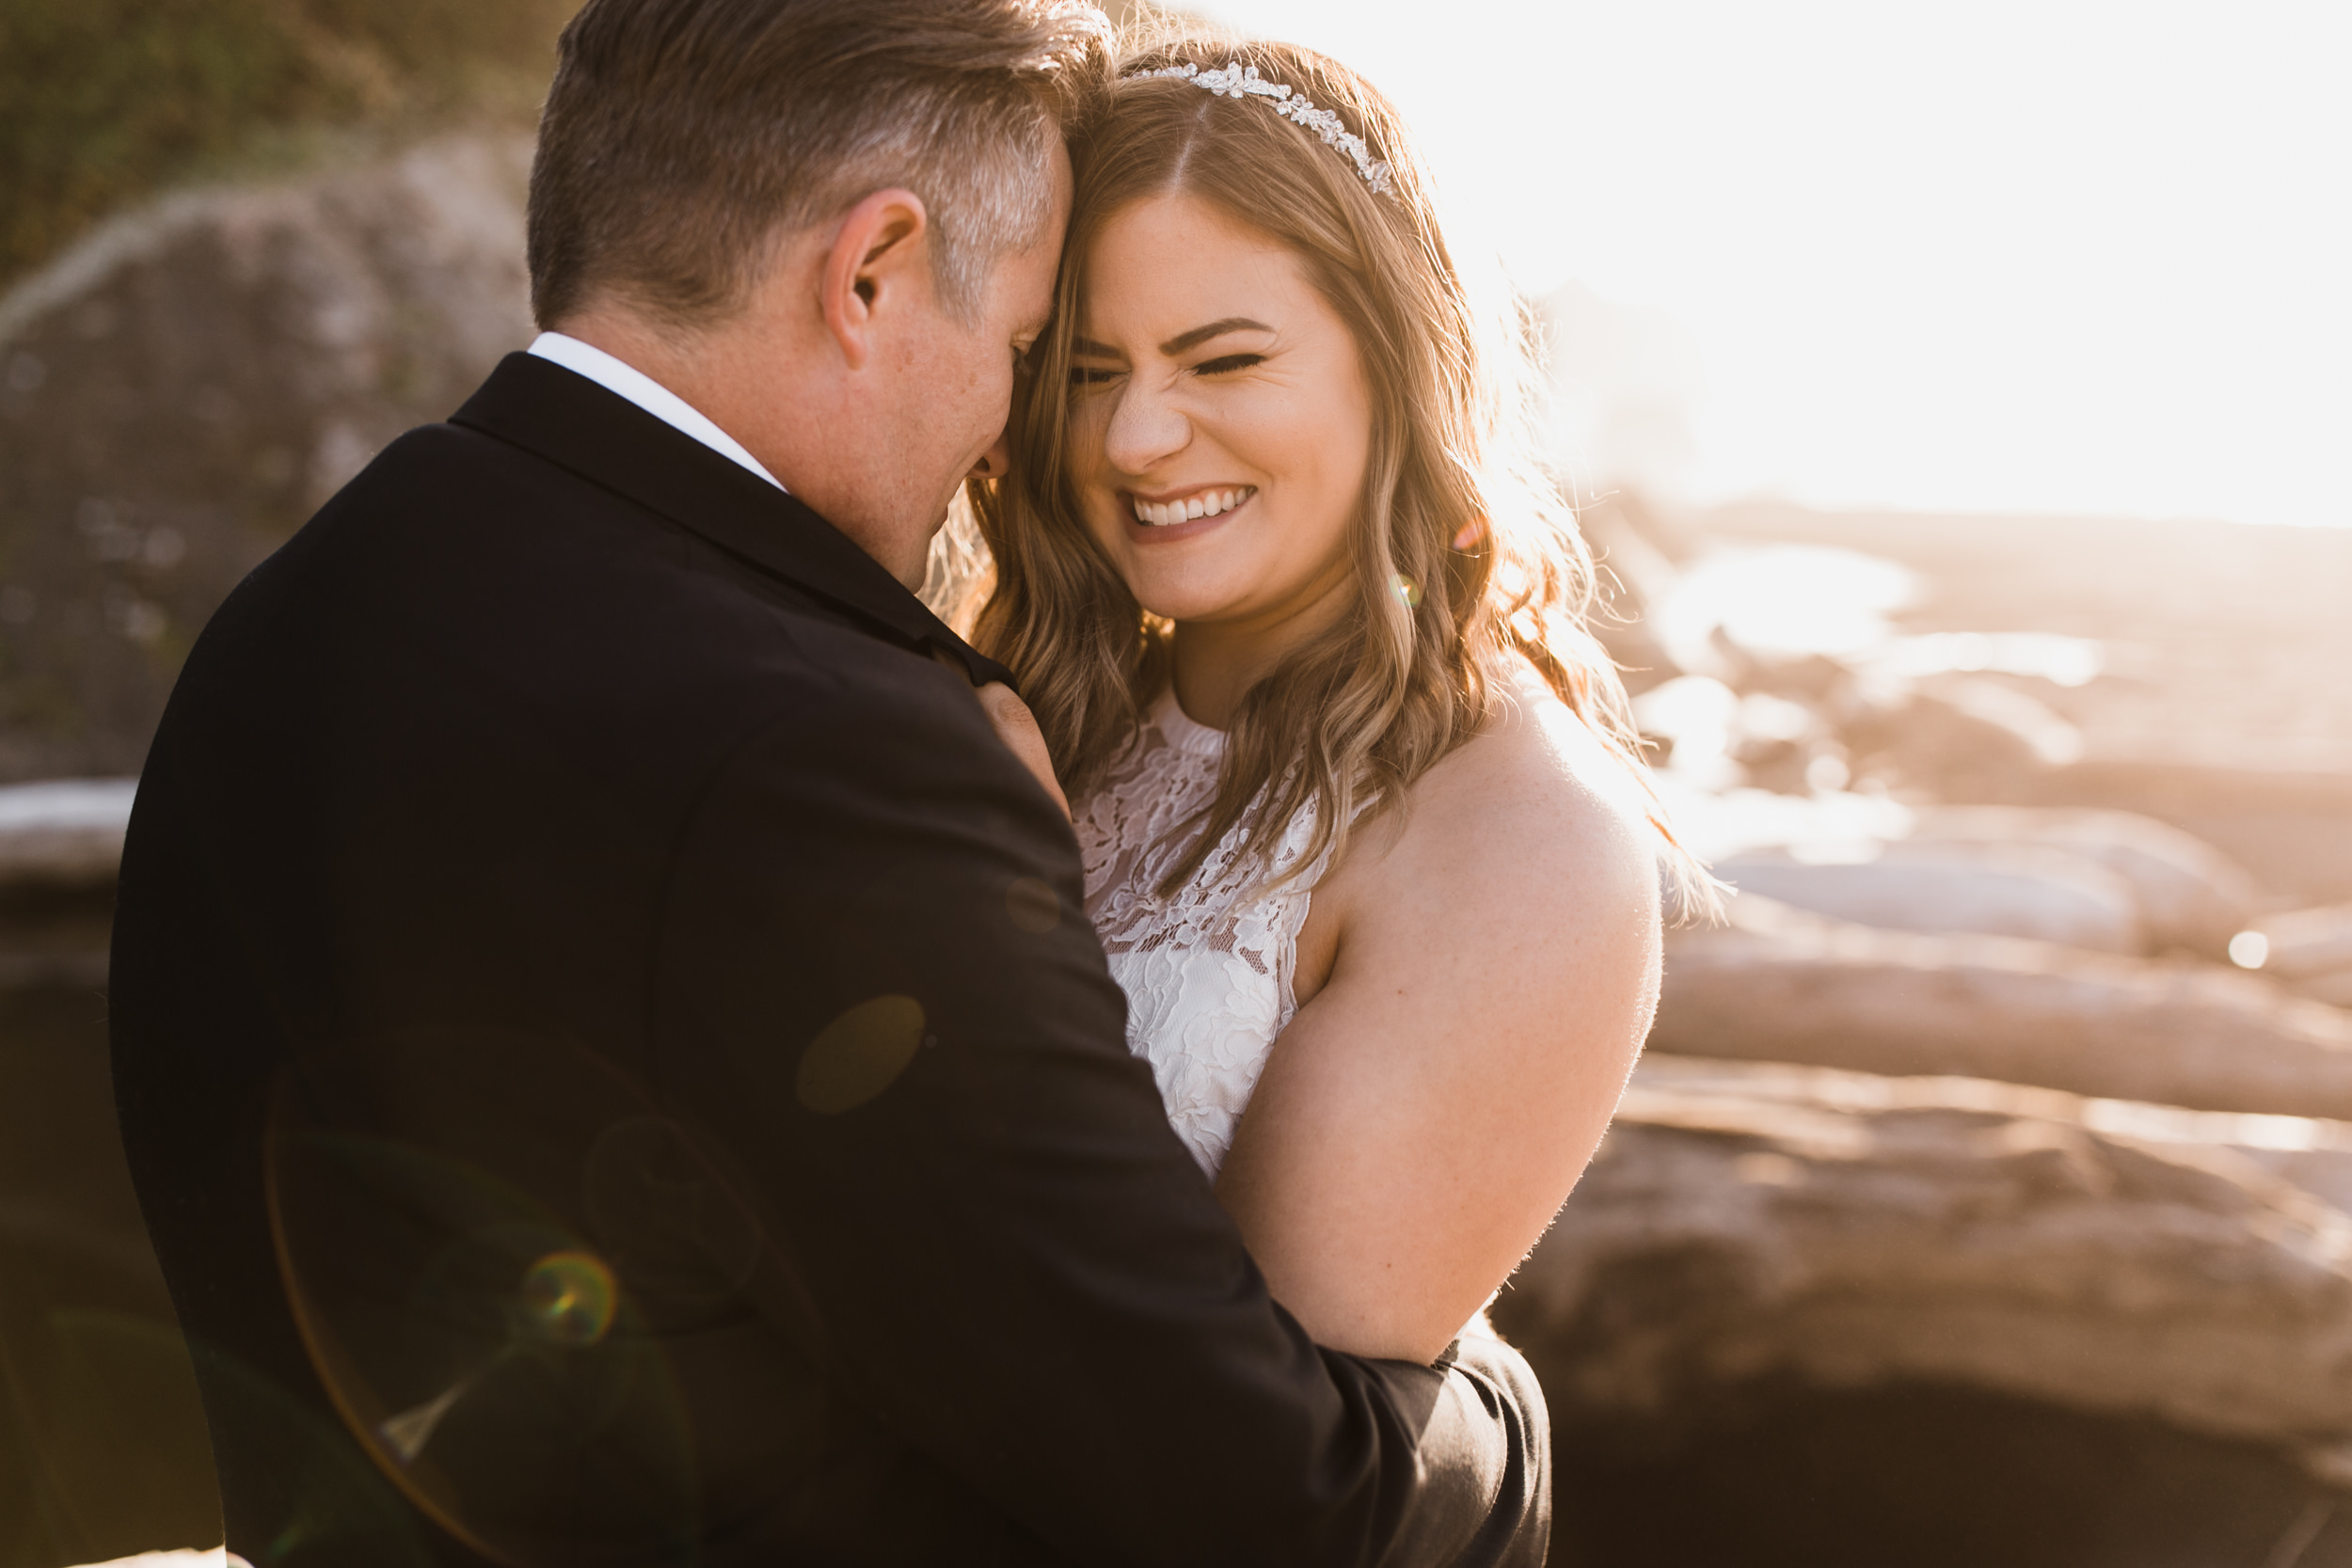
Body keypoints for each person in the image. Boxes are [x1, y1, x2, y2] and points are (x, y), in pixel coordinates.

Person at [106, 1, 1549, 1564]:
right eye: (1027, 351)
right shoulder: (836, 750)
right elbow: (1258, 1507)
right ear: (868, 273)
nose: (1012, 450)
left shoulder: (295, 619)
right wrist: (1498, 1414)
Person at [970, 30, 1702, 1364]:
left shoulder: (1517, 841)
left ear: (1393, 363)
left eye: (1225, 360)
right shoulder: (1029, 710)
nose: (1135, 438)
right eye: (1088, 371)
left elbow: (1244, 1453)